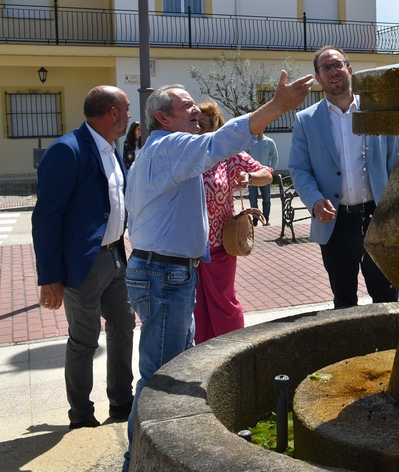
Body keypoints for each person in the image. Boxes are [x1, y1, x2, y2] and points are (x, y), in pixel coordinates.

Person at [122, 71, 312, 470]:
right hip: (164, 273)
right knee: (158, 377)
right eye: (186, 105)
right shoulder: (171, 146)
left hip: (166, 271)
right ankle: (138, 458)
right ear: (163, 118)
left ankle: (148, 451)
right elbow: (220, 142)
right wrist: (276, 106)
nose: (196, 109)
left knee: (168, 369)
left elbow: (231, 158)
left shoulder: (159, 148)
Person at [32, 86, 135, 430]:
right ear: (112, 113)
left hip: (116, 257)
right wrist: (49, 276)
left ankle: (122, 401)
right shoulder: (67, 149)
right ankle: (81, 413)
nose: (131, 115)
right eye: (127, 108)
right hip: (84, 264)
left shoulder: (111, 148)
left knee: (123, 328)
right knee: (85, 340)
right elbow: (46, 217)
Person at [288, 45, 399, 309]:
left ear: (349, 69)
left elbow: (395, 162)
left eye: (337, 64)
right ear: (318, 77)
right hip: (335, 222)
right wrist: (314, 201)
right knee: (344, 300)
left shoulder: (376, 113)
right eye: (325, 68)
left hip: (378, 217)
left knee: (386, 296)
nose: (333, 71)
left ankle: (388, 347)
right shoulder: (306, 120)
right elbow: (299, 168)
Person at [194, 102, 272, 344]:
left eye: (202, 125)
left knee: (223, 302)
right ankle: (201, 354)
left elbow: (266, 174)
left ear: (214, 127)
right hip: (188, 246)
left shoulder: (226, 154)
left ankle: (232, 349)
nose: (196, 129)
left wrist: (247, 177)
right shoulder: (187, 152)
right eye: (194, 124)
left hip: (219, 244)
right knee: (196, 307)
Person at [245, 130, 278, 225]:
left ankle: (266, 218)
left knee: (266, 198)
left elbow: (275, 156)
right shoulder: (250, 143)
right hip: (252, 175)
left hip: (264, 175)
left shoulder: (269, 142)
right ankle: (255, 218)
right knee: (252, 197)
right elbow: (245, 157)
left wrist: (271, 169)